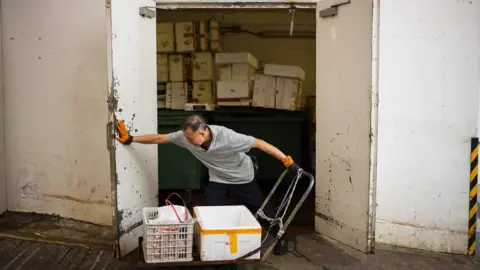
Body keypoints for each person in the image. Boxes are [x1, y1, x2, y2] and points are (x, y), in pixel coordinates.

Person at [115, 114, 299, 256]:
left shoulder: (228, 137)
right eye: (185, 137)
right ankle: (216, 247)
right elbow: (160, 138)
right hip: (218, 178)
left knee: (261, 208)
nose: (186, 141)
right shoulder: (184, 136)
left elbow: (259, 143)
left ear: (203, 133)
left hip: (242, 176)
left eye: (190, 138)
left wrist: (286, 160)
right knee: (211, 211)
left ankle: (281, 236)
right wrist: (132, 139)